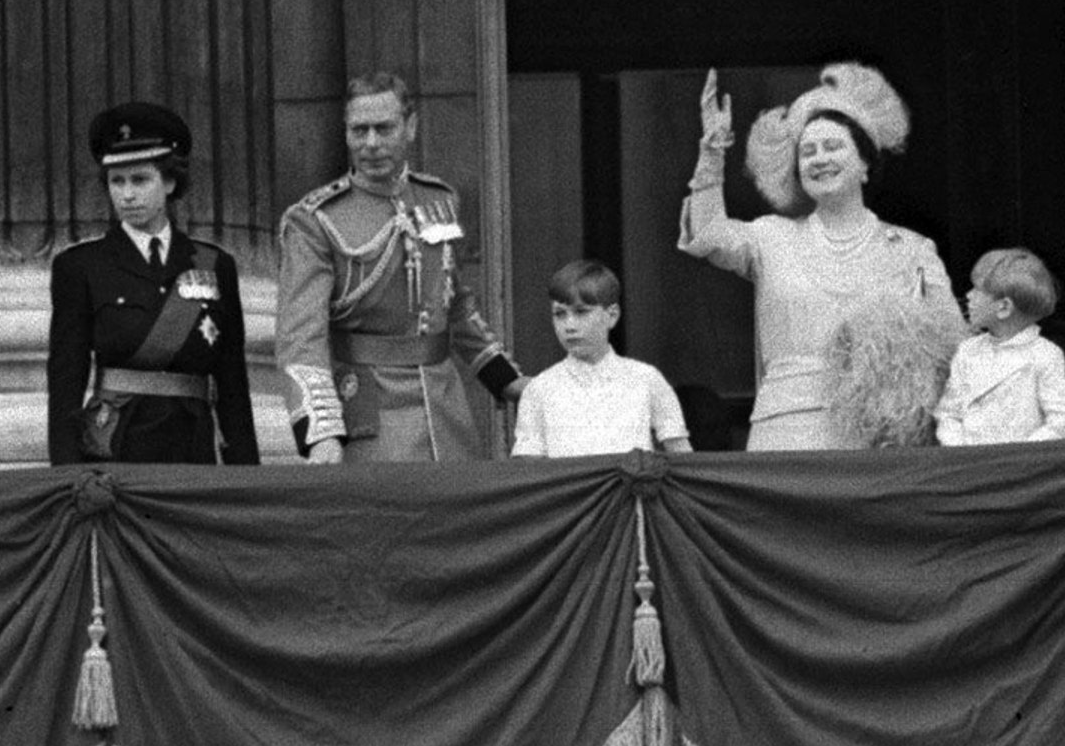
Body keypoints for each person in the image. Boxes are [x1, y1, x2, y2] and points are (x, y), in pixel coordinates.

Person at [679, 64, 962, 450]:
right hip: (786, 428)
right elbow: (708, 234)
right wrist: (711, 154)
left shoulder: (913, 249)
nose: (818, 159)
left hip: (878, 435)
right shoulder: (771, 237)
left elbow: (954, 348)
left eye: (833, 147)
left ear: (864, 163)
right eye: (807, 151)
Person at [277, 72, 525, 463]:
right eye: (359, 130)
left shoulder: (439, 200)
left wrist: (506, 381)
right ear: (345, 133)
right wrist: (320, 432)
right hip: (369, 411)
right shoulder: (314, 219)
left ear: (410, 127)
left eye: (384, 128)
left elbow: (455, 306)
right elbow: (300, 337)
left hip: (446, 408)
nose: (371, 143)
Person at [47, 102, 259, 464]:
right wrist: (67, 478)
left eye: (140, 180)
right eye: (117, 181)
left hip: (192, 452)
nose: (127, 195)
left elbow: (232, 384)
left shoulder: (215, 265)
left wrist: (247, 480)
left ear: (170, 182)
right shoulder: (80, 267)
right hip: (115, 454)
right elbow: (66, 383)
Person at [510, 260, 691, 458]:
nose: (569, 325)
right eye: (560, 314)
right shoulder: (539, 390)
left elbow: (682, 457)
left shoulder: (646, 379)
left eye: (581, 312)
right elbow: (528, 469)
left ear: (612, 315)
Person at [934, 248, 1065, 445]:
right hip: (969, 466)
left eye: (977, 290)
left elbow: (1064, 422)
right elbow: (948, 414)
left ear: (1003, 307)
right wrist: (960, 450)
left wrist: (1018, 455)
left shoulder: (1045, 355)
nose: (968, 295)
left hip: (1019, 468)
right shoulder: (968, 351)